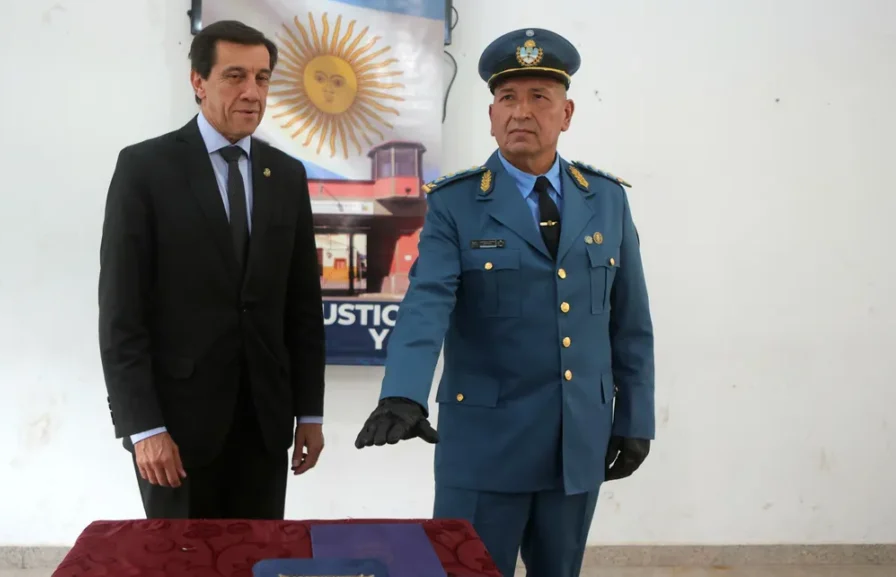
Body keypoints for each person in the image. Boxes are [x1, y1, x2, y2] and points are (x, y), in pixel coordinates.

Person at [353, 27, 655, 577]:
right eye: (508, 98)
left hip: (576, 442)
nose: (522, 112)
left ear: (566, 114)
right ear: (491, 116)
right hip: (484, 446)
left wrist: (635, 416)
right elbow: (427, 302)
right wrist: (403, 392)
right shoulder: (457, 203)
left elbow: (631, 323)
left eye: (539, 97)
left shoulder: (607, 200)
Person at [98, 20, 326, 521]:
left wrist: (310, 412)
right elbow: (121, 313)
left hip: (264, 428)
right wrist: (143, 427)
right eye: (235, 76)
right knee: (180, 558)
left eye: (262, 78)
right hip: (175, 433)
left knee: (259, 557)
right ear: (198, 82)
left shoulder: (286, 176)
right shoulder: (145, 169)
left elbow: (302, 307)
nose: (252, 93)